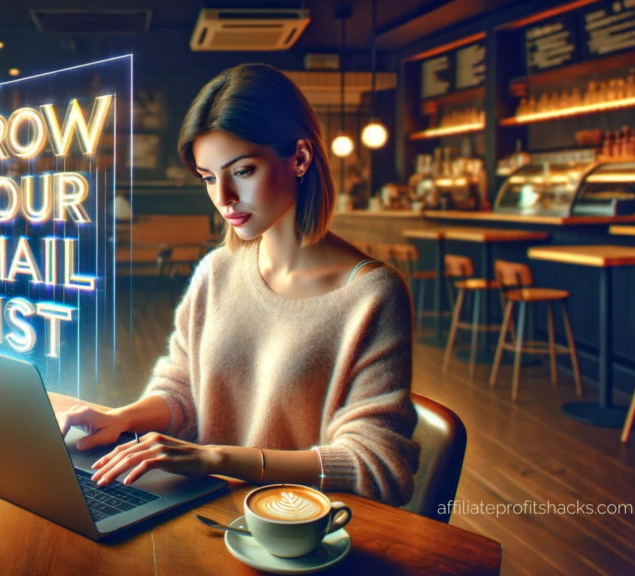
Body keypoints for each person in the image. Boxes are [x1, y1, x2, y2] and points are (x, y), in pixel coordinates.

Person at [58, 63, 419, 506]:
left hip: (299, 533)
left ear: (300, 158)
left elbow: (378, 464)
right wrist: (121, 417)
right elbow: (184, 390)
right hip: (203, 511)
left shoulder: (372, 295)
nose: (223, 197)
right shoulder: (217, 271)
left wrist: (216, 458)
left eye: (242, 170)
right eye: (209, 178)